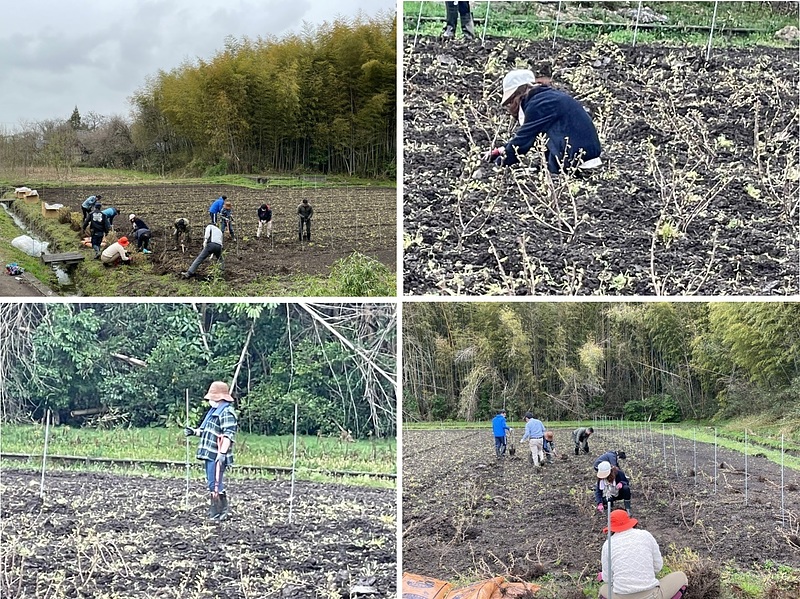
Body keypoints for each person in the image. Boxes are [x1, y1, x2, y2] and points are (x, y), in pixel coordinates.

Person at [483, 69, 602, 174]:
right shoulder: (547, 97)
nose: (511, 106)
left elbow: (523, 141)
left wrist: (499, 164)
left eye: (511, 101)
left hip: (577, 162)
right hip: (586, 158)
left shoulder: (539, 104)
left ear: (518, 93)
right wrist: (501, 150)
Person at [598, 510, 689, 599]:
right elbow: (658, 566)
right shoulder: (645, 535)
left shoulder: (607, 545)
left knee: (603, 589)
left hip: (621, 596)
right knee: (681, 576)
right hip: (652, 595)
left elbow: (608, 579)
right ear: (629, 522)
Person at [184, 381, 238, 521]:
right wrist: (194, 432)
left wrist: (222, 454)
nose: (209, 400)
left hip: (217, 454)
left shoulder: (227, 413)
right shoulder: (213, 412)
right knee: (211, 482)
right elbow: (207, 431)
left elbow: (228, 435)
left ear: (219, 398)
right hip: (209, 453)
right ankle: (216, 512)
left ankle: (220, 512)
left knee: (215, 483)